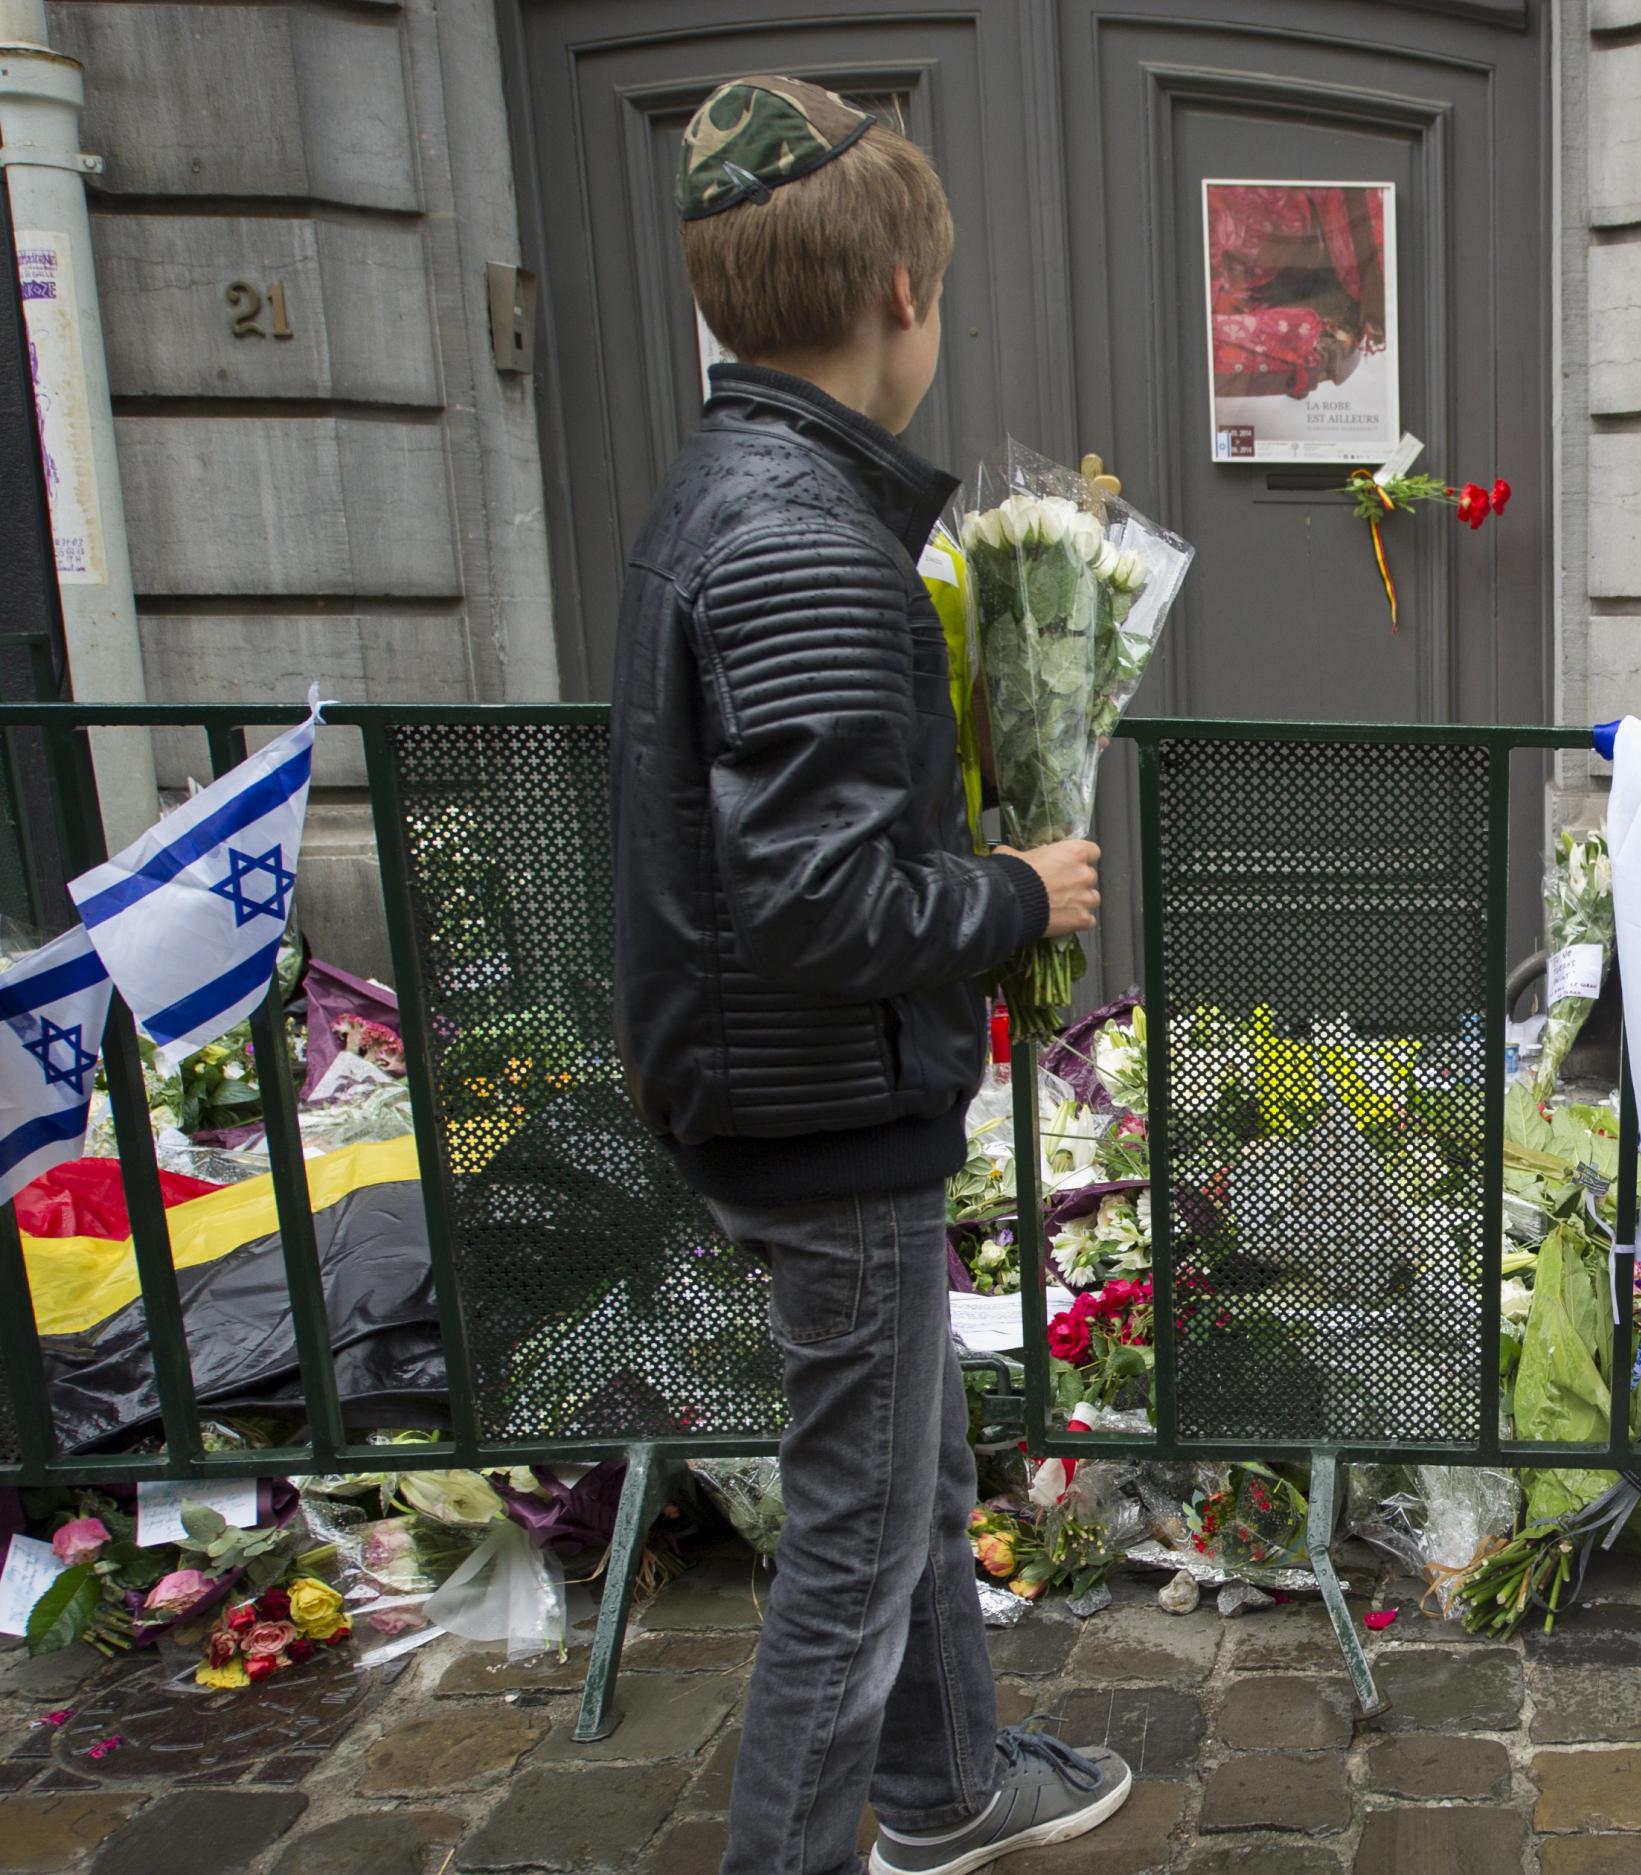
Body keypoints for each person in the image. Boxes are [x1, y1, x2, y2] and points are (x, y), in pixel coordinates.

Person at [607, 75, 1125, 1875]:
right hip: (825, 1123)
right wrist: (1013, 893)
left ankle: (945, 1789)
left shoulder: (743, 490)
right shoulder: (806, 535)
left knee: (913, 1493)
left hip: (794, 1108)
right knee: (851, 1549)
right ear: (903, 288)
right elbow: (820, 905)